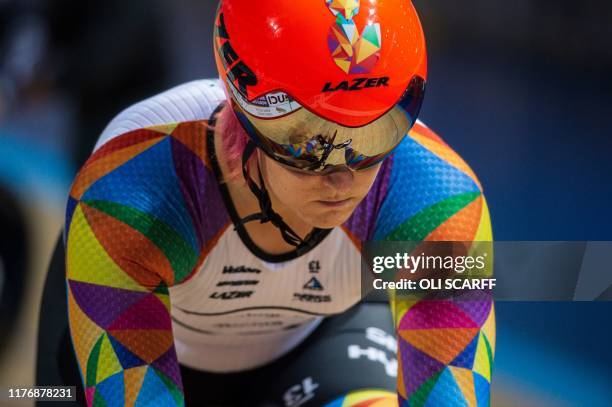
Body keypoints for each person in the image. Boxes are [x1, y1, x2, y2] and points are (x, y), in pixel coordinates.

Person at [38, 0, 495, 405]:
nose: (343, 178)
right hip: (150, 335)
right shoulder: (132, 196)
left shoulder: (439, 210)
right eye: (308, 143)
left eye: (375, 134)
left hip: (318, 347)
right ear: (247, 115)